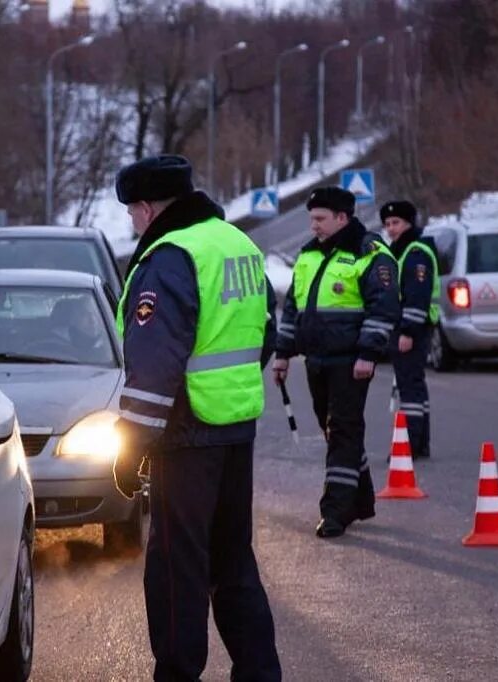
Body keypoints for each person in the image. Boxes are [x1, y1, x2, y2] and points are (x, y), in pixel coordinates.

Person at [110, 154, 282, 681]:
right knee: (233, 563)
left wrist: (130, 446)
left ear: (145, 208)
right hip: (234, 428)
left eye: (132, 214)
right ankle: (259, 673)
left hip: (184, 437)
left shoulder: (169, 256)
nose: (133, 224)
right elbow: (265, 332)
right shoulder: (236, 244)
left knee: (175, 570)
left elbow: (155, 364)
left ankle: (178, 675)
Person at [273, 186, 400, 539]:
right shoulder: (308, 255)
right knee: (333, 430)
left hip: (350, 361)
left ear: (342, 218)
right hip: (316, 360)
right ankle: (361, 500)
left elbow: (384, 306)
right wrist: (283, 354)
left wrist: (368, 354)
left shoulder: (369, 253)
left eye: (320, 219)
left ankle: (335, 511)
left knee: (343, 429)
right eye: (311, 219)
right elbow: (295, 309)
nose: (313, 226)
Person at [381, 200, 439, 459]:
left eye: (396, 223)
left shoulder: (415, 253)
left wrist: (407, 331)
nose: (391, 229)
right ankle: (421, 443)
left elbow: (417, 297)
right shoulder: (402, 250)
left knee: (410, 388)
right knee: (415, 386)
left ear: (408, 223)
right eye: (387, 224)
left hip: (412, 329)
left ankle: (412, 445)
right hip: (407, 327)